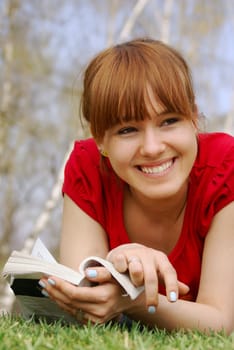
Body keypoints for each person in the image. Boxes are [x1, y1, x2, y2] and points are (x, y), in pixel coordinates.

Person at [39, 38, 234, 333]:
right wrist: (118, 270)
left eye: (169, 121)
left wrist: (134, 296)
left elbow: (220, 321)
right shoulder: (87, 165)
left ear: (193, 118)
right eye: (128, 130)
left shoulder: (225, 166)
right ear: (101, 139)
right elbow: (84, 295)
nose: (153, 147)